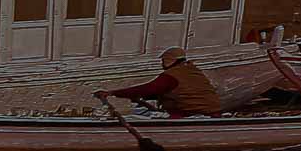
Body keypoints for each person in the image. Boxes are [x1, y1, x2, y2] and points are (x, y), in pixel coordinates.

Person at [95, 47, 225, 117]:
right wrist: (139, 97)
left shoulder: (171, 75)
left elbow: (149, 89)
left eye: (163, 61)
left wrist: (111, 92)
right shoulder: (193, 71)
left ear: (170, 61)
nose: (162, 63)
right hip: (210, 111)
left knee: (143, 116)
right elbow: (170, 91)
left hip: (191, 113)